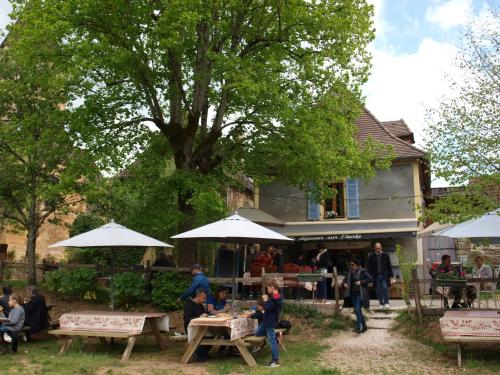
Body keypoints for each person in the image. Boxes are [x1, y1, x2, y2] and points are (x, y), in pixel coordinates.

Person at [255, 280, 284, 368]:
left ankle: (275, 361)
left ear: (272, 287)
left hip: (270, 322)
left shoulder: (276, 297)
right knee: (257, 333)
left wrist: (265, 300)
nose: (267, 289)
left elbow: (267, 307)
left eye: (268, 287)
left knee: (272, 341)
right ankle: (274, 335)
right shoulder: (273, 297)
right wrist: (267, 301)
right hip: (266, 321)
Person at [343, 259, 372, 334]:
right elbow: (344, 280)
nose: (351, 266)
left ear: (357, 265)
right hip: (352, 294)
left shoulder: (363, 271)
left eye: (353, 265)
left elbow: (370, 279)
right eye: (351, 265)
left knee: (357, 310)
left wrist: (361, 282)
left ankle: (358, 327)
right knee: (358, 311)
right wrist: (344, 283)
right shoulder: (350, 272)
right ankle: (364, 327)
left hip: (360, 294)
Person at [183, 288, 209, 361]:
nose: (204, 300)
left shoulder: (200, 304)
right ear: (198, 296)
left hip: (201, 327)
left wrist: (206, 315)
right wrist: (199, 317)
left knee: (213, 334)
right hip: (191, 328)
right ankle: (199, 354)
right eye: (203, 298)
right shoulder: (188, 305)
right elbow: (187, 319)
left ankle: (202, 353)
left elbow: (203, 314)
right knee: (205, 336)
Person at [367, 242, 394, 308]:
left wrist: (391, 276)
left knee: (385, 288)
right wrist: (369, 278)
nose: (378, 250)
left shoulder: (385, 255)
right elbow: (369, 268)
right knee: (378, 290)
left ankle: (386, 302)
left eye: (379, 248)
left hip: (384, 275)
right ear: (374, 248)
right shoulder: (371, 256)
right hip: (375, 276)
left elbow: (389, 266)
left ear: (381, 247)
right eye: (376, 248)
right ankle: (381, 303)